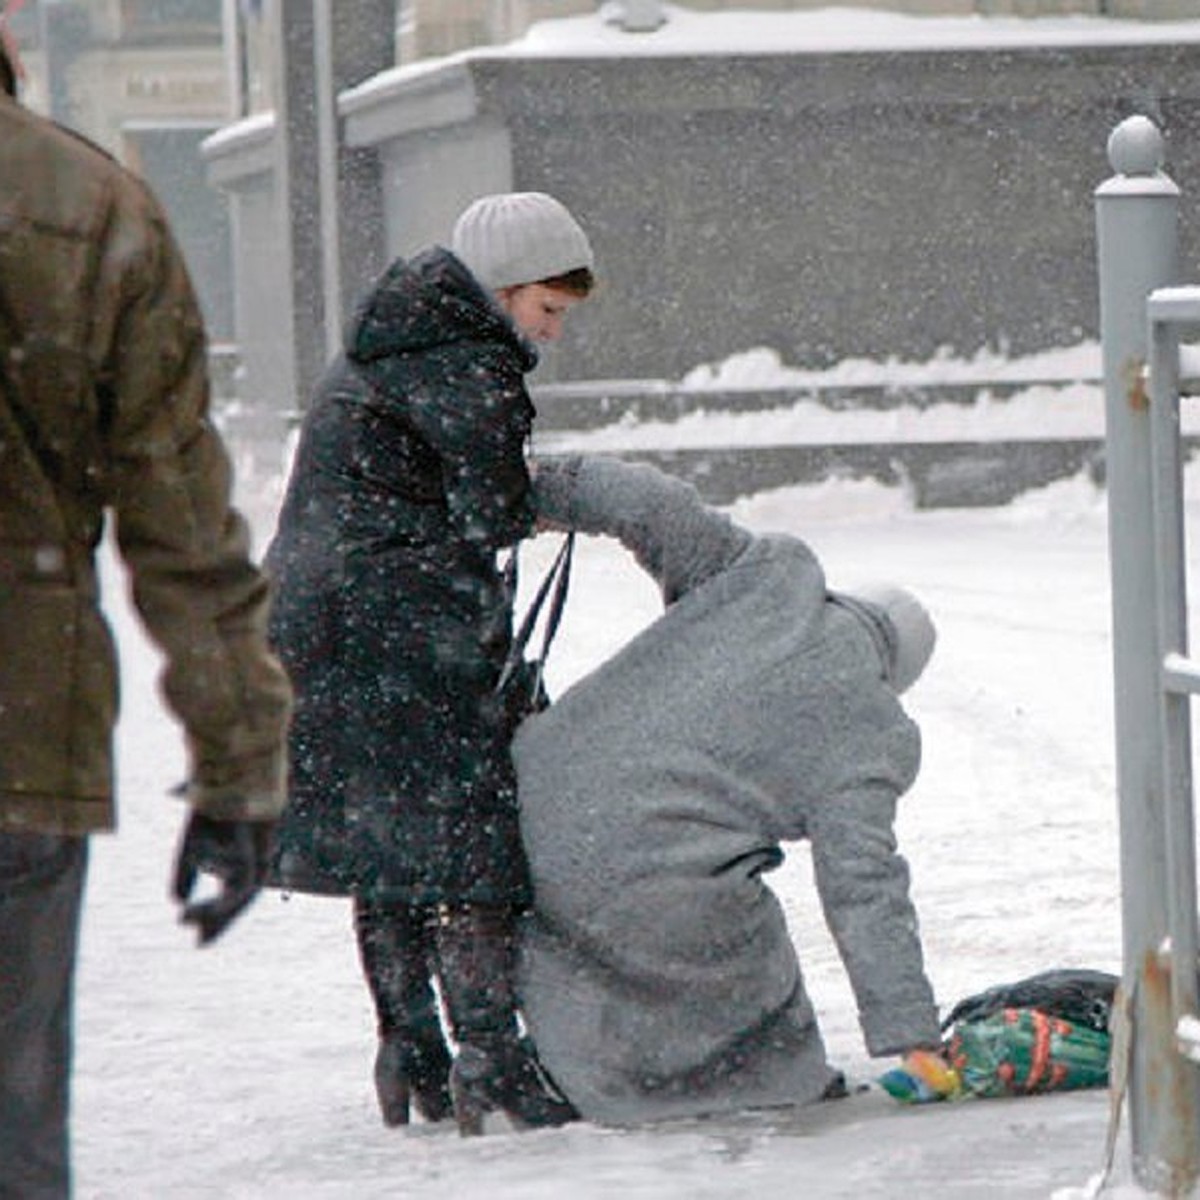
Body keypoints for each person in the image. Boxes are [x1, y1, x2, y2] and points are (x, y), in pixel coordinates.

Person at [0, 40, 293, 1200]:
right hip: (19, 728)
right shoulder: (86, 207)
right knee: (13, 1132)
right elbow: (182, 527)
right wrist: (241, 767)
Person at [264, 192, 594, 1134]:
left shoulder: (388, 338)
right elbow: (493, 513)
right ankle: (493, 1060)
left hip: (310, 619)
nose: (553, 333)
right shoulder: (468, 359)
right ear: (502, 290)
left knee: (388, 843)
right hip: (399, 626)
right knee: (468, 840)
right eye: (548, 311)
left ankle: (409, 1053)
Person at [514, 454, 944, 1124]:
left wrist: (535, 491)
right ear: (894, 675)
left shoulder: (762, 578)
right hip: (630, 870)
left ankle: (563, 1056)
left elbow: (651, 503)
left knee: (622, 889)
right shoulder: (868, 727)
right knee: (731, 940)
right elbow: (865, 887)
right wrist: (910, 1031)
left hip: (521, 805)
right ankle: (736, 1082)